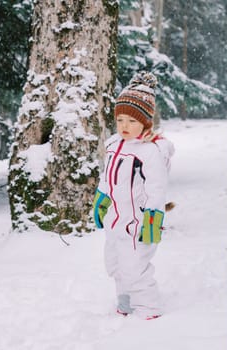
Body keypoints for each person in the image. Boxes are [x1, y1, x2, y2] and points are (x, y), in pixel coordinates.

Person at [92, 71, 174, 320]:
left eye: (132, 121)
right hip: (115, 221)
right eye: (121, 120)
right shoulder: (113, 144)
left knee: (135, 268)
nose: (124, 126)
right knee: (115, 264)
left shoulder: (150, 151)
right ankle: (125, 301)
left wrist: (152, 218)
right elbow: (107, 177)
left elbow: (156, 188)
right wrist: (101, 201)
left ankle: (149, 309)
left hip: (137, 224)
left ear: (146, 122)